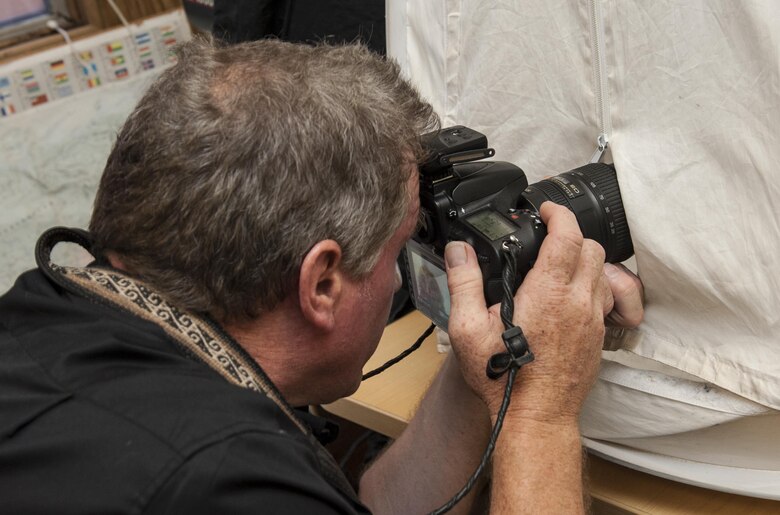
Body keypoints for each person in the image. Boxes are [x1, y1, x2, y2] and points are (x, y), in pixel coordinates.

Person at [0, 37, 643, 513]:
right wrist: (540, 412)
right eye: (399, 250)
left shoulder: (42, 319)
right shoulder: (222, 481)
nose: (404, 281)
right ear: (322, 285)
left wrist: (496, 355)